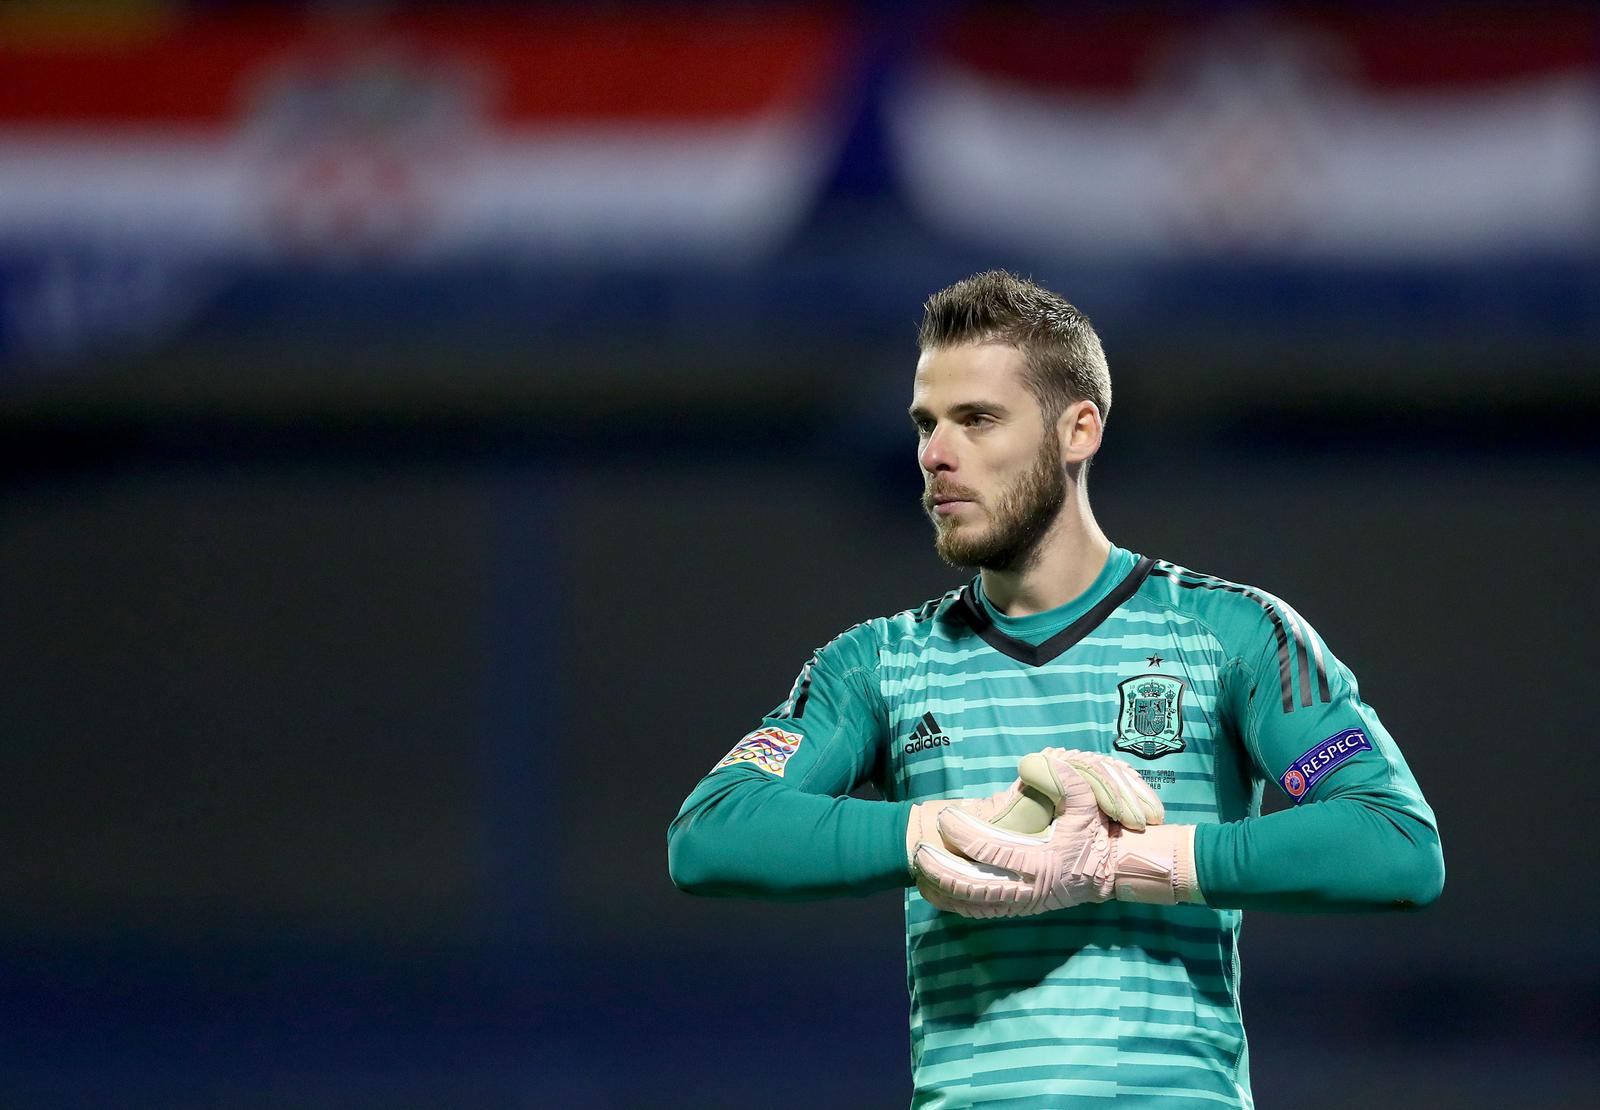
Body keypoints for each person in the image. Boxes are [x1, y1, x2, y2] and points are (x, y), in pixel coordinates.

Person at [666, 270, 1443, 1107]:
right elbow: (711, 834)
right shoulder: (877, 665)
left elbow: (1394, 844)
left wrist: (1126, 863)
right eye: (927, 424)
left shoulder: (1233, 634)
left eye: (977, 420)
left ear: (1079, 430)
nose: (935, 454)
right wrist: (953, 835)